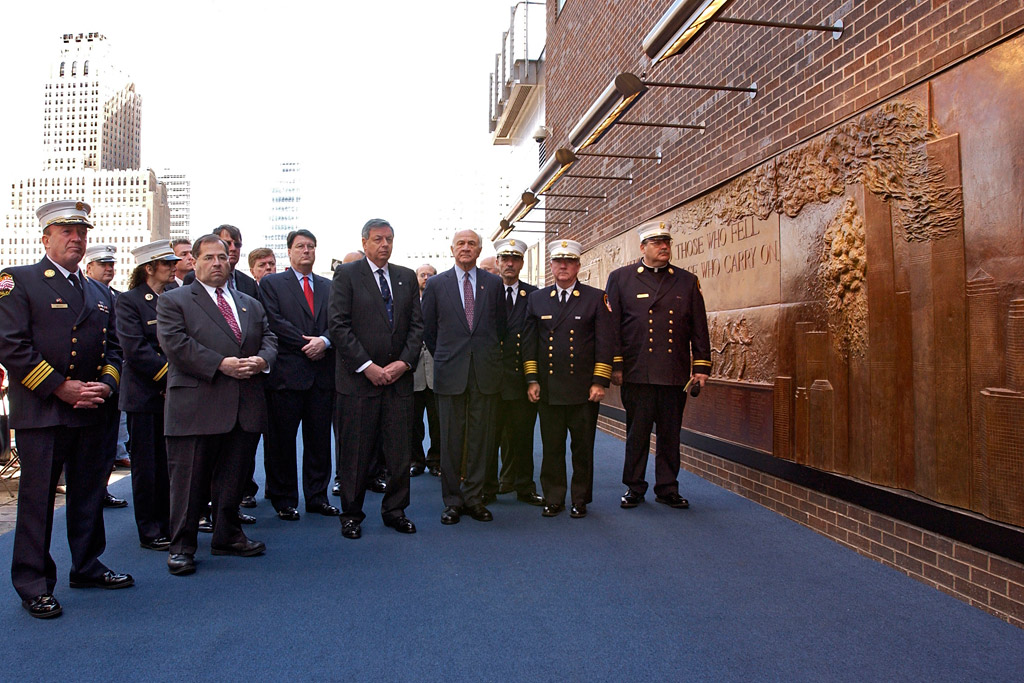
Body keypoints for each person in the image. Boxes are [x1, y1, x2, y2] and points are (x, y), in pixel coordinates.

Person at [0, 200, 132, 619]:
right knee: (37, 500)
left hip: (93, 409)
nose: (76, 239)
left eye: (81, 233)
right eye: (66, 232)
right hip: (45, 410)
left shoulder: (98, 292)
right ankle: (33, 583)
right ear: (46, 238)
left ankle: (88, 565)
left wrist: (107, 384)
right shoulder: (16, 281)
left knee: (89, 494)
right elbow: (12, 346)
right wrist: (61, 388)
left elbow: (114, 347)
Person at [156, 234, 276, 576]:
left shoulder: (248, 303)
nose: (217, 263)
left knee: (234, 477)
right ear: (194, 261)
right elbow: (175, 344)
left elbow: (269, 337)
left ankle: (227, 535)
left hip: (243, 405)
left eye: (222, 257)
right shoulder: (174, 300)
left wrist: (261, 361)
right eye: (208, 257)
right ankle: (182, 546)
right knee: (189, 482)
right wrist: (220, 364)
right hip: (197, 404)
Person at [605, 220, 712, 510]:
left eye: (667, 242)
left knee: (669, 435)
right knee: (637, 434)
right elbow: (612, 326)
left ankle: (667, 488)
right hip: (637, 371)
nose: (664, 247)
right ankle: (634, 487)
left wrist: (701, 366)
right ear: (643, 247)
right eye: (656, 243)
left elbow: (698, 326)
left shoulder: (687, 281)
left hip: (673, 372)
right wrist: (616, 366)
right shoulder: (621, 278)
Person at [329, 219, 422, 539]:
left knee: (398, 452)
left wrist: (403, 363)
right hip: (358, 381)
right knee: (356, 451)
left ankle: (395, 510)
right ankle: (351, 514)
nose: (385, 245)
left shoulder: (405, 277)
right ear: (365, 242)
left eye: (390, 239)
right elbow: (339, 326)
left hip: (398, 380)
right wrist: (367, 366)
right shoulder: (347, 275)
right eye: (378, 239)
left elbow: (416, 327)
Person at [421, 229, 506, 525]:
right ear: (452, 248)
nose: (466, 248)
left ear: (479, 249)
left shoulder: (494, 284)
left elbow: (502, 327)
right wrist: (448, 355)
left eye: (472, 243)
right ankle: (453, 501)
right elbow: (428, 330)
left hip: (485, 372)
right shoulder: (435, 284)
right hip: (450, 371)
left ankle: (475, 498)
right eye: (461, 243)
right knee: (450, 438)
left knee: (482, 439)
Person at [524, 240, 613, 518]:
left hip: (583, 389)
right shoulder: (537, 299)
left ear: (578, 265)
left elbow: (605, 342)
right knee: (552, 448)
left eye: (569, 261)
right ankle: (554, 497)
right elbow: (530, 343)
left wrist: (600, 381)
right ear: (550, 266)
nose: (563, 266)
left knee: (582, 448)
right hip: (549, 389)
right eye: (558, 261)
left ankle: (580, 499)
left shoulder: (595, 298)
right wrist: (532, 379)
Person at [258, 230, 338, 521]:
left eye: (311, 246)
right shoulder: (272, 284)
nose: (306, 251)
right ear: (289, 252)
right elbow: (272, 320)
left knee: (319, 442)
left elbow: (340, 322)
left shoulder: (331, 286)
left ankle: (317, 497)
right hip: (286, 375)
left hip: (321, 376)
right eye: (301, 246)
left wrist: (325, 341)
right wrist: (308, 342)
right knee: (282, 442)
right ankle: (284, 499)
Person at [115, 240, 180, 550]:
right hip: (146, 395)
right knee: (147, 466)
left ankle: (170, 522)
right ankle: (150, 529)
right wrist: (169, 377)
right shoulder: (129, 302)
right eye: (166, 264)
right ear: (149, 268)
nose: (172, 268)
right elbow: (135, 350)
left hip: (175, 396)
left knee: (170, 464)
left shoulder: (174, 298)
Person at [483, 238, 542, 506]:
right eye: (505, 259)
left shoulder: (534, 295)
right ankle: (487, 487)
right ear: (497, 262)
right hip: (490, 381)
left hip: (520, 380)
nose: (509, 263)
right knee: (488, 439)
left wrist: (533, 378)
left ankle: (524, 486)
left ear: (521, 263)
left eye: (515, 259)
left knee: (522, 438)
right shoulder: (485, 292)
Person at [83, 244, 132, 500]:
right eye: (103, 265)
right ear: (88, 267)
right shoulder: (82, 294)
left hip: (112, 380)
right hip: (87, 382)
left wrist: (111, 381)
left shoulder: (117, 297)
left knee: (107, 443)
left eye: (111, 265)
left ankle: (102, 489)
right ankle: (92, 492)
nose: (109, 269)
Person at [410, 264, 440, 478]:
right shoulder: (408, 302)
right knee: (412, 421)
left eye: (431, 275)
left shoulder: (441, 301)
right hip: (412, 371)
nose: (426, 278)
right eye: (423, 275)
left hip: (437, 370)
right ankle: (415, 460)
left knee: (438, 421)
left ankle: (436, 460)